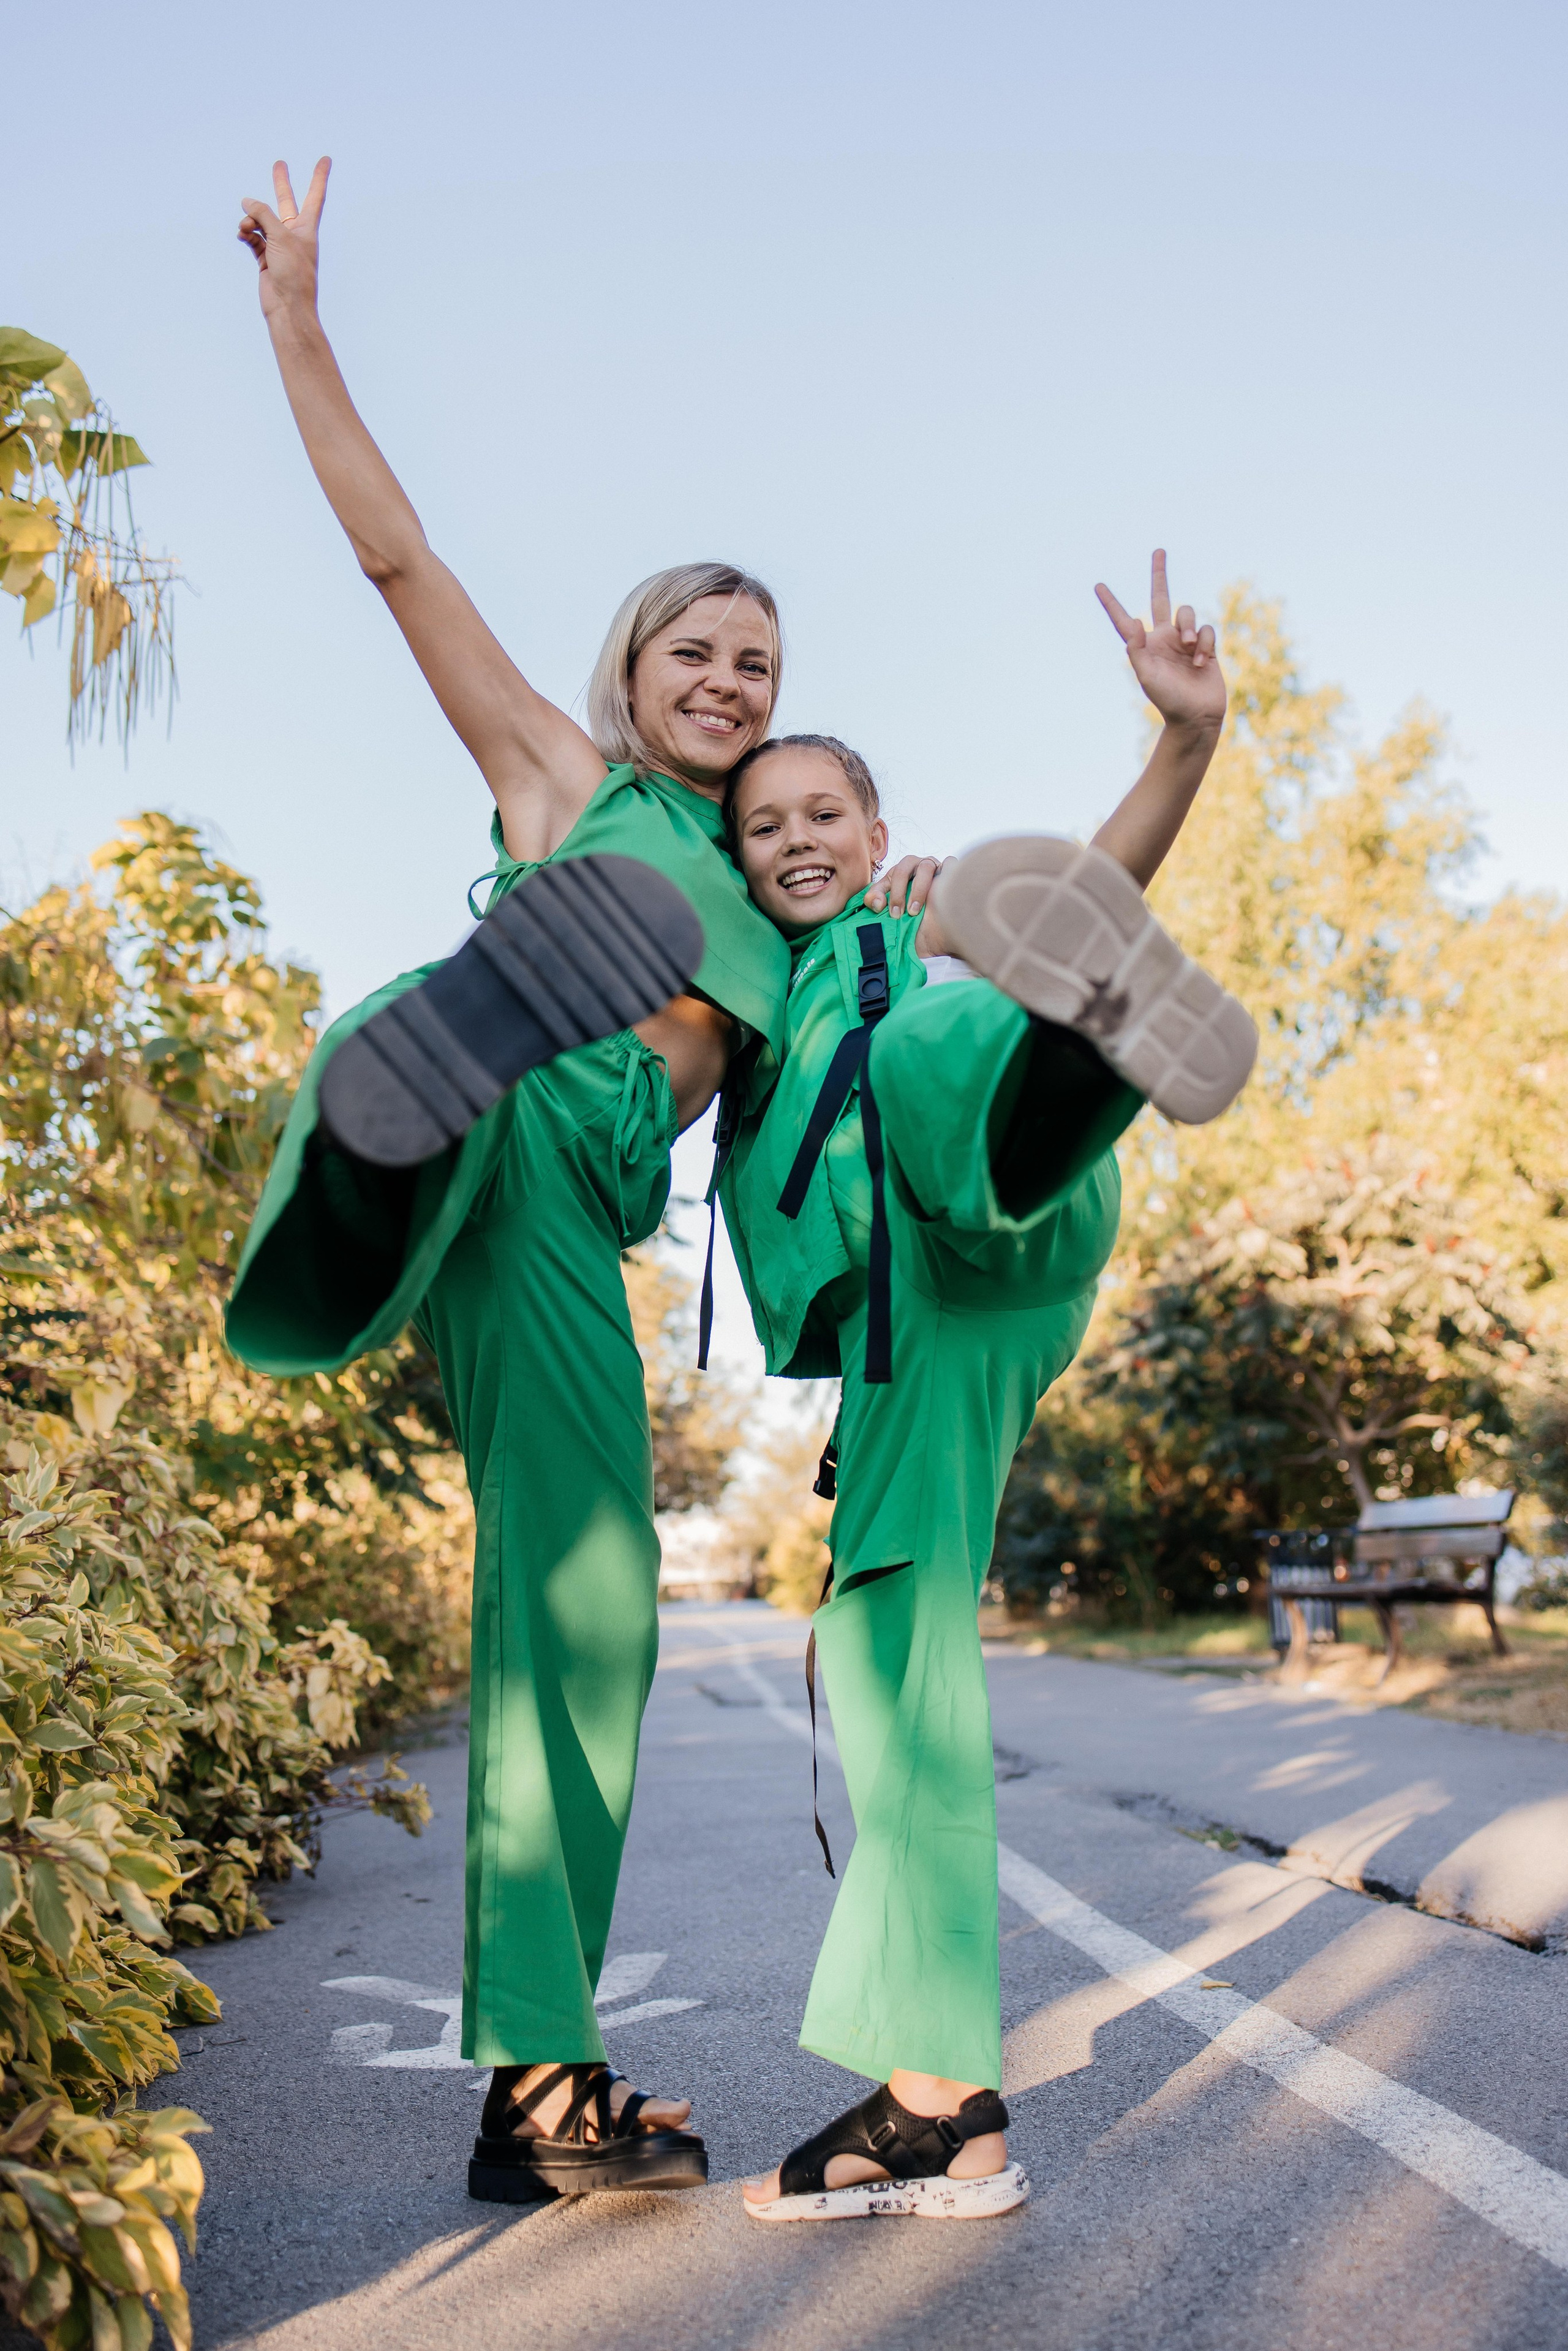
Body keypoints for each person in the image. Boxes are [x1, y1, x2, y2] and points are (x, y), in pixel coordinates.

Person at [227, 154, 938, 2204]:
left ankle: (538, 2091)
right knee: (476, 1061)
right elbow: (400, 562)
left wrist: (907, 928)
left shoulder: (791, 896)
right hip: (518, 1112)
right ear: (633, 674)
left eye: (757, 673)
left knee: (590, 1614)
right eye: (697, 658)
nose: (727, 689)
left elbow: (861, 1082)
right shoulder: (562, 778)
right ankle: (433, 1072)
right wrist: (297, 311)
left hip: (565, 1224)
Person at [716, 556, 1256, 2221]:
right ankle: (935, 2101)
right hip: (970, 1278)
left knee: (931, 1045)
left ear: (877, 836)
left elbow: (1085, 896)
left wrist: (1180, 749)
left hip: (970, 1225)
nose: (799, 838)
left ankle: (946, 2108)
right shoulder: (763, 996)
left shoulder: (914, 918)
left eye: (827, 812)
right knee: (889, 1673)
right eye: (764, 826)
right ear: (741, 862)